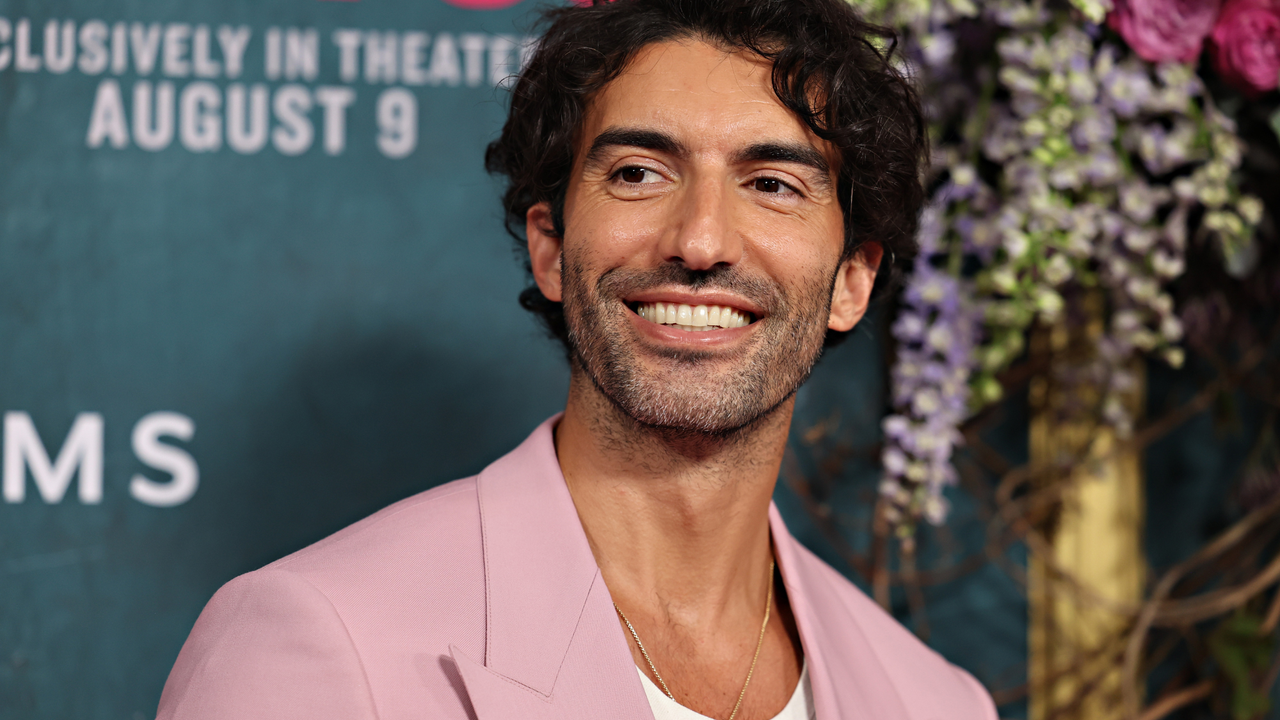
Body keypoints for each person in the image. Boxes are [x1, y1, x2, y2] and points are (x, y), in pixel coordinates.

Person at [157, 0, 998, 718]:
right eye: (638, 173)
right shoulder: (317, 644)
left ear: (853, 280)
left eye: (773, 183)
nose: (700, 240)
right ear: (551, 247)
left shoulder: (937, 702)